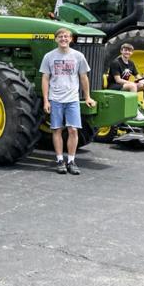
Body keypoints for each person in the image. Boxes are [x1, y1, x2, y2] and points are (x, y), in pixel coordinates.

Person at [40, 27, 97, 175]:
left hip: (72, 99)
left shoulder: (78, 56)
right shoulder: (49, 57)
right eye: (60, 37)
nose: (63, 39)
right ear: (56, 39)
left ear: (71, 39)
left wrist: (87, 97)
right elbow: (45, 78)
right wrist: (46, 100)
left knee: (73, 130)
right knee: (57, 129)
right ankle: (60, 160)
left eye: (66, 37)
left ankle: (71, 161)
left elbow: (83, 77)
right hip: (56, 99)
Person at [107, 43, 144, 120]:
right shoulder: (115, 63)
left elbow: (137, 75)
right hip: (114, 86)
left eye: (129, 51)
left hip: (124, 85)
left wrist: (142, 81)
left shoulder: (131, 63)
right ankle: (134, 112)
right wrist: (132, 83)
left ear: (132, 52)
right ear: (121, 51)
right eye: (125, 50)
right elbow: (118, 80)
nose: (127, 52)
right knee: (133, 86)